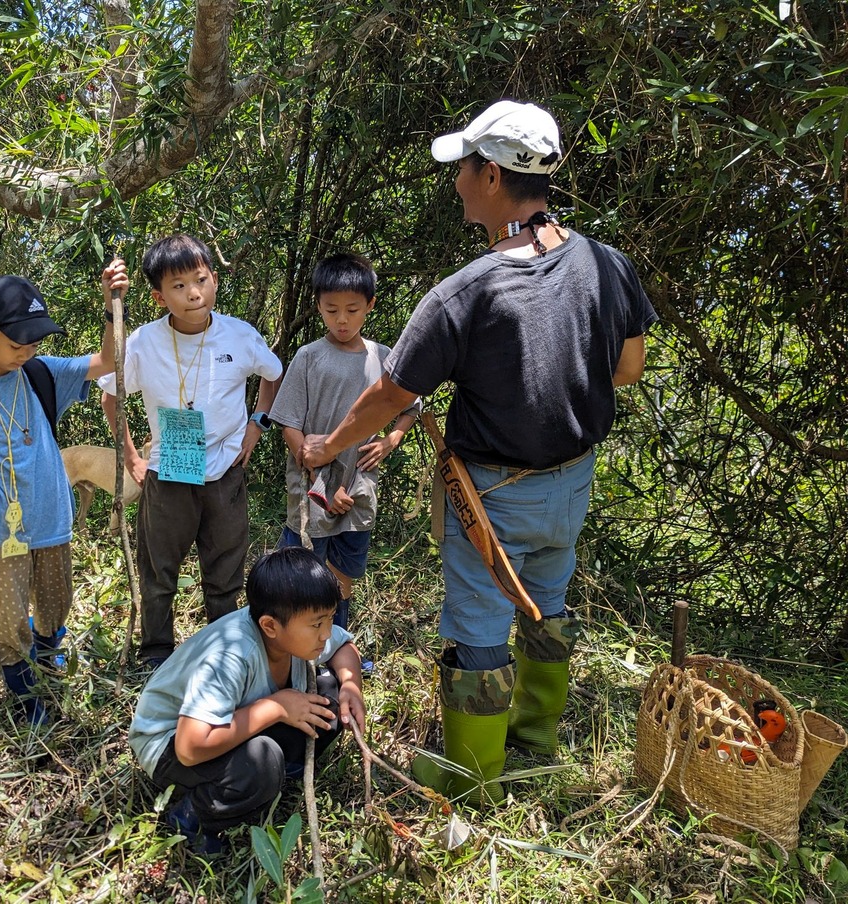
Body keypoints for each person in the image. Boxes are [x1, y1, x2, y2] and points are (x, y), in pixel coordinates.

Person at [302, 100, 658, 804]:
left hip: (493, 496)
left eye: (463, 167)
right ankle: (535, 741)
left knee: (480, 628)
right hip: (572, 486)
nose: (458, 180)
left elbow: (391, 393)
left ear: (491, 175)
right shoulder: (605, 264)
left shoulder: (465, 293)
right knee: (547, 605)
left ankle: (474, 778)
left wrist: (330, 445)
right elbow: (627, 368)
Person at [0, 263, 128, 724]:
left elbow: (108, 361)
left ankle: (47, 661)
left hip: (52, 524)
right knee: (7, 620)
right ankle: (25, 693)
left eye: (34, 341)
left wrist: (112, 306)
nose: (27, 350)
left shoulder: (41, 373)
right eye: (16, 342)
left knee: (54, 604)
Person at [99, 234, 283, 667]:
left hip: (225, 473)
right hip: (168, 475)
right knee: (158, 568)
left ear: (214, 280)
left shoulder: (239, 335)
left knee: (225, 569)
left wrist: (257, 424)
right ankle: (157, 651)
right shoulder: (143, 342)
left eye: (200, 280)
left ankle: (224, 648)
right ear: (159, 296)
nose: (193, 293)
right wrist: (132, 456)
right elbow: (111, 396)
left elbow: (273, 374)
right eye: (178, 286)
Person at [130, 546, 366, 853]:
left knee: (330, 694)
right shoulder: (230, 656)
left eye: (330, 619)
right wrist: (276, 707)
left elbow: (344, 647)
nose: (325, 634)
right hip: (168, 744)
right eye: (316, 624)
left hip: (233, 721)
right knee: (260, 762)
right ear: (269, 626)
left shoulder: (292, 627)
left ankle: (282, 772)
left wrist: (351, 685)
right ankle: (193, 817)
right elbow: (189, 748)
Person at [271, 251, 421, 644]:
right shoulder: (308, 357)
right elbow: (289, 424)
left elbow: (411, 405)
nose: (342, 320)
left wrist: (392, 439)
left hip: (359, 487)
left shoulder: (383, 359)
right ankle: (296, 648)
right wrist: (322, 483)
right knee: (302, 570)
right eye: (331, 310)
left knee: (343, 574)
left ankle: (337, 647)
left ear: (370, 305)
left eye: (352, 310)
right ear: (318, 306)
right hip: (312, 488)